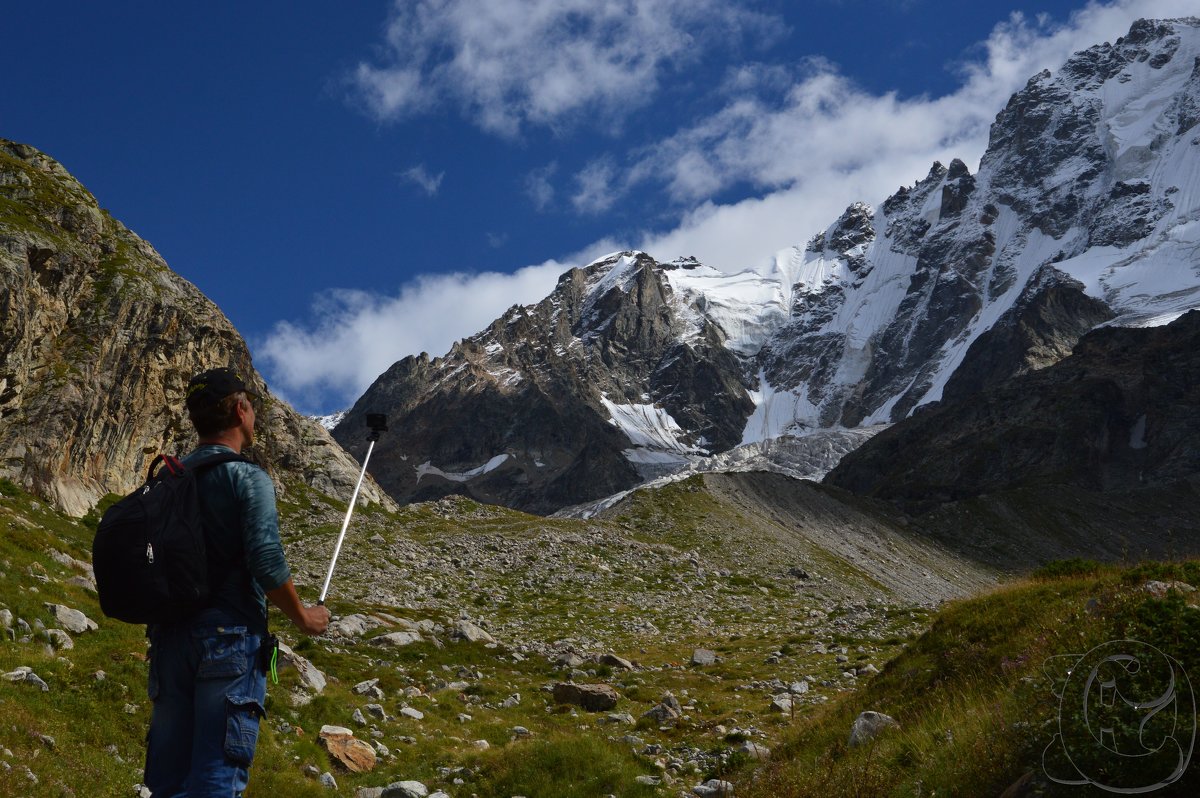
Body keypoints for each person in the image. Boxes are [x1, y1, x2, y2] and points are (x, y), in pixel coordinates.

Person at [144, 367, 330, 797]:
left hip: (170, 641)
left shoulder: (168, 478)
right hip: (229, 638)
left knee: (167, 782)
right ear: (242, 410)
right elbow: (266, 561)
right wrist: (303, 617)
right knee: (216, 779)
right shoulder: (248, 477)